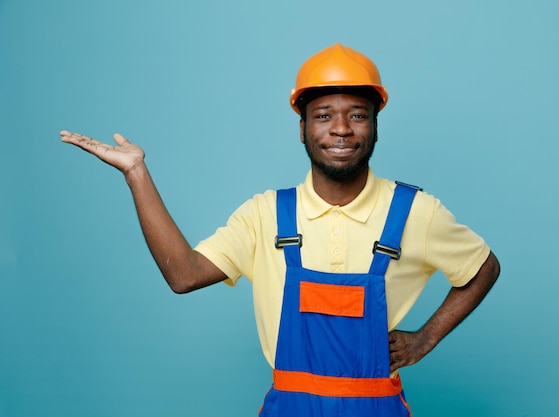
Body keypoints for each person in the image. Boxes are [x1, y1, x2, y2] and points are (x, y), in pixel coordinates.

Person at [61, 43, 500, 417]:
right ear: (303, 128)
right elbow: (184, 275)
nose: (342, 129)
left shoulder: (415, 212)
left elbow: (483, 268)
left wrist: (426, 339)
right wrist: (137, 173)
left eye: (358, 115)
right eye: (324, 115)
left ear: (375, 127)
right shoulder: (265, 215)